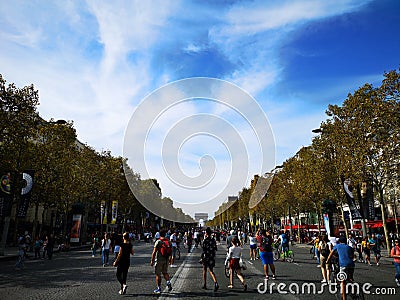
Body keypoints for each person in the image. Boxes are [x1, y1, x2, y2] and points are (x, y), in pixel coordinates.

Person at [150, 229, 172, 295]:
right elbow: (171, 251)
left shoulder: (158, 241)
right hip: (166, 259)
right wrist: (170, 259)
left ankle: (159, 288)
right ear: (165, 234)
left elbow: (154, 252)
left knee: (158, 274)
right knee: (165, 272)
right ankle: (168, 282)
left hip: (159, 260)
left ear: (159, 234)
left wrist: (152, 260)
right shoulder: (168, 241)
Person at [201, 227, 219, 291]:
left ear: (206, 233)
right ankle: (216, 283)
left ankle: (205, 284)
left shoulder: (205, 240)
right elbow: (215, 248)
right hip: (211, 257)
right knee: (211, 271)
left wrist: (201, 258)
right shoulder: (213, 240)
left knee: (205, 270)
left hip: (206, 257)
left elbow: (203, 250)